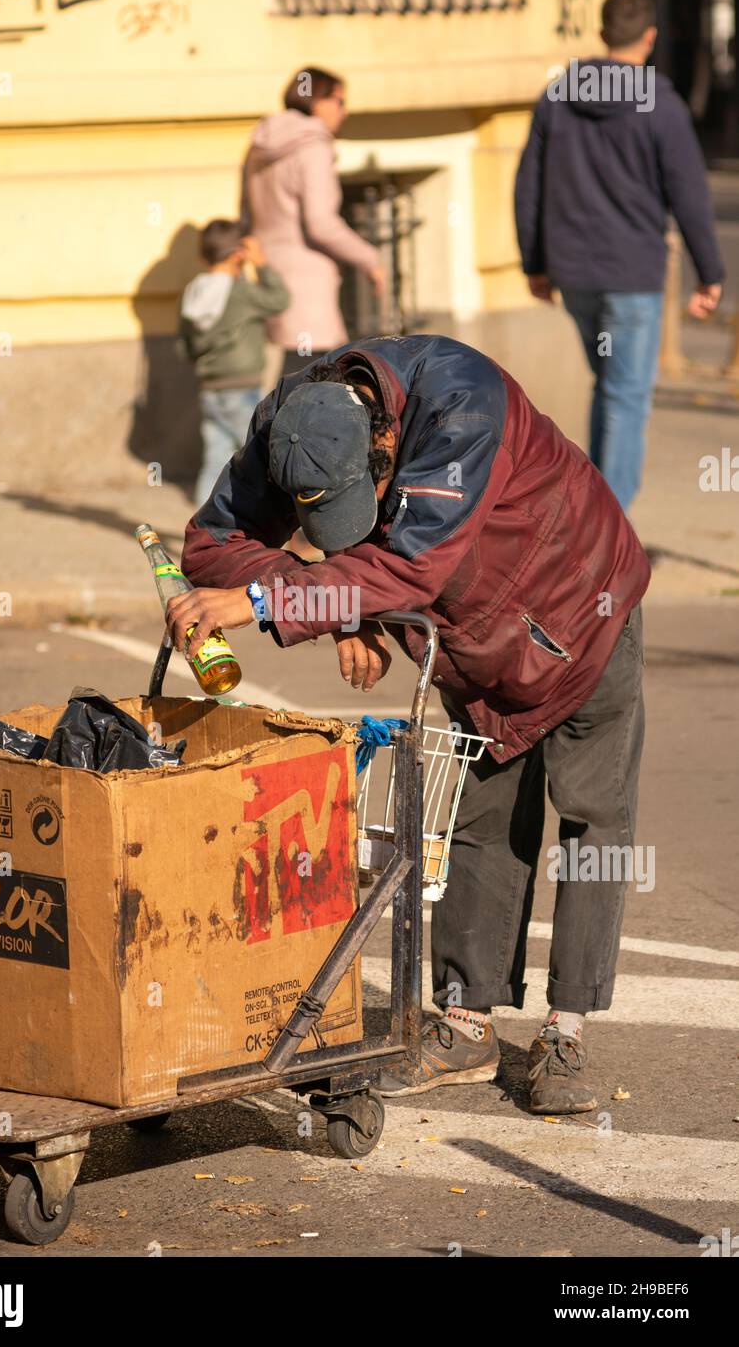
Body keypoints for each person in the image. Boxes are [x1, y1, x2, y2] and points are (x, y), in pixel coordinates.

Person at [168, 334, 650, 1115]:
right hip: (463, 637)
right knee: (480, 820)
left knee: (591, 823)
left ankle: (567, 1033)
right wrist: (337, 613)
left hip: (577, 605)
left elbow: (408, 567)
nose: (346, 533)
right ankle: (465, 1022)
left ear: (385, 437)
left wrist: (270, 601)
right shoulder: (289, 423)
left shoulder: (465, 405)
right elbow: (212, 543)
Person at [514, 0, 725, 512]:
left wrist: (535, 264)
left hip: (574, 272)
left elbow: (528, 185)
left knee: (609, 386)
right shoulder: (662, 104)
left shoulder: (558, 96)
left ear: (603, 33)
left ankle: (590, 510)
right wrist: (710, 274)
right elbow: (689, 194)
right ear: (649, 38)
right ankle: (609, 528)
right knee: (625, 396)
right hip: (631, 274)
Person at [241, 66, 385, 376]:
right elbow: (321, 223)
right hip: (309, 285)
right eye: (339, 101)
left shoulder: (258, 146)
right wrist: (371, 259)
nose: (343, 112)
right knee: (314, 387)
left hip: (270, 276)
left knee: (290, 381)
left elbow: (245, 214)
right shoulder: (313, 145)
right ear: (316, 100)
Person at [178, 220, 289, 505]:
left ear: (203, 256)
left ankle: (202, 531)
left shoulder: (193, 292)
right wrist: (261, 264)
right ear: (239, 254)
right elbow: (279, 299)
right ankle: (283, 527)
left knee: (215, 461)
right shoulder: (239, 292)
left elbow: (186, 346)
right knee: (264, 456)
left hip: (210, 389)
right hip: (241, 387)